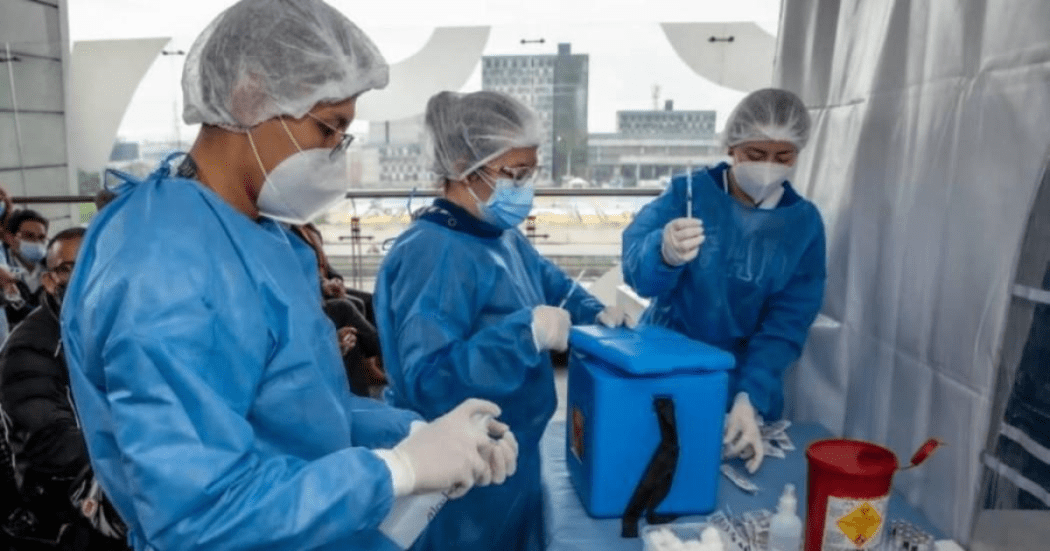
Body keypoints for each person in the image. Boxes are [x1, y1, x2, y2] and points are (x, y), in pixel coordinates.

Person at [60, 2, 517, 550]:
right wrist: (394, 471)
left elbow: (304, 406)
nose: (334, 156)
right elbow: (198, 516)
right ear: (250, 96)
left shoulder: (263, 236)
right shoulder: (163, 268)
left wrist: (416, 436)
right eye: (329, 128)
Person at [374, 90, 630, 551]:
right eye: (514, 173)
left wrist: (598, 313)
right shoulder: (433, 254)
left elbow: (555, 287)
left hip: (515, 453)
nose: (524, 187)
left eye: (530, 172)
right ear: (460, 165)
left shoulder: (499, 235)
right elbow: (429, 382)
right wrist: (522, 335)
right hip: (465, 468)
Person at [622, 88, 826, 474]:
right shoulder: (688, 195)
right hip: (667, 363)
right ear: (732, 146)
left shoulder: (803, 225)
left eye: (783, 157)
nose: (768, 166)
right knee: (651, 473)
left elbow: (787, 322)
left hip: (742, 377)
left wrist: (751, 396)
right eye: (755, 154)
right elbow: (638, 275)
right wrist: (661, 253)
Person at [0, 227, 129, 550]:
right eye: (67, 268)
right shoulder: (30, 347)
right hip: (60, 505)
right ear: (49, 280)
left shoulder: (117, 331)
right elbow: (52, 440)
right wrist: (132, 473)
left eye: (93, 262)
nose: (83, 276)